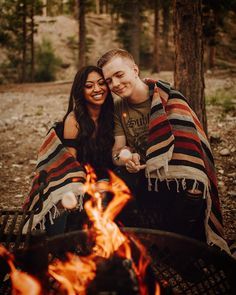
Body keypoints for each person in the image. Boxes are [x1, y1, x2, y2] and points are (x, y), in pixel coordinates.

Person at [97, 48, 230, 253]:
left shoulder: (168, 98)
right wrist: (126, 159)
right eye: (108, 80)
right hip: (146, 178)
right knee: (116, 191)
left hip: (175, 176)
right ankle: (155, 243)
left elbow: (190, 146)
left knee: (192, 188)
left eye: (119, 75)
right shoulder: (117, 108)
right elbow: (117, 150)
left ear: (135, 70)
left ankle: (184, 246)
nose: (114, 84)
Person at [23, 66, 114, 236]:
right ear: (81, 90)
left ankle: (99, 248)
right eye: (89, 86)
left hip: (107, 175)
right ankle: (55, 246)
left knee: (105, 194)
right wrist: (86, 185)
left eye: (102, 83)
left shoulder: (113, 115)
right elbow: (71, 162)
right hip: (78, 175)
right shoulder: (74, 119)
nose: (97, 89)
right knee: (65, 196)